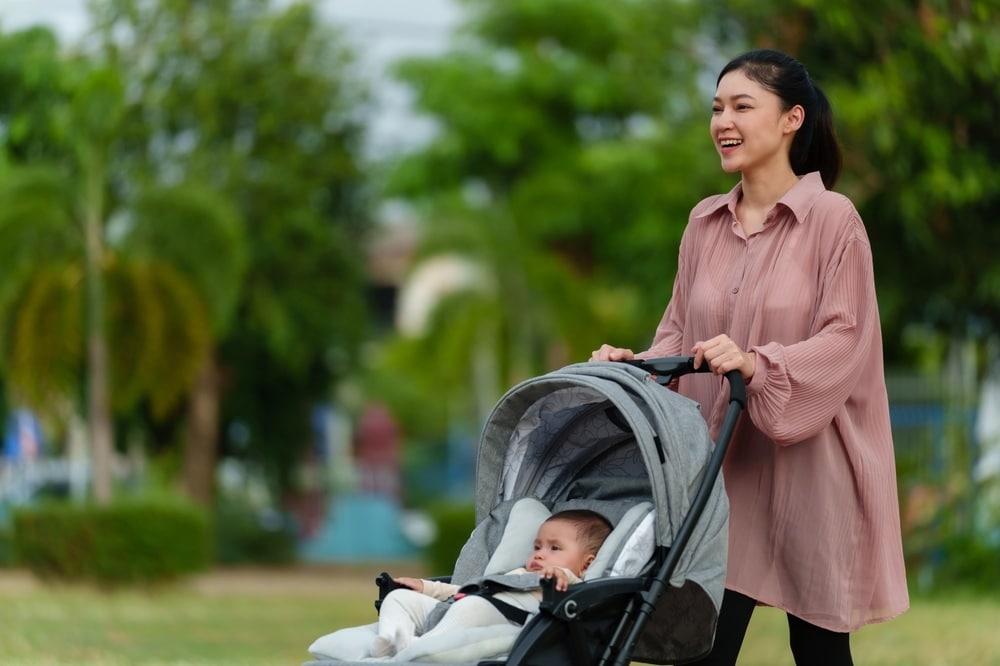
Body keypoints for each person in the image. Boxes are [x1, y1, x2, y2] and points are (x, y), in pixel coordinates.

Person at [591, 48, 909, 665]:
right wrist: (635, 365)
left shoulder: (834, 221)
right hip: (723, 469)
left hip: (812, 467)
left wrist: (759, 365)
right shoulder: (703, 224)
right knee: (702, 649)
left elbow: (846, 339)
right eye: (716, 109)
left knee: (819, 651)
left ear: (792, 119)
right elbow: (680, 335)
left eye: (742, 106)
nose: (722, 122)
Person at [371, 509, 612, 658]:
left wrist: (560, 575)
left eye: (554, 548)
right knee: (398, 598)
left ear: (587, 565)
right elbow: (469, 588)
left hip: (500, 614)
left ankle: (416, 648)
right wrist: (426, 587)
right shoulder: (516, 573)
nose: (539, 554)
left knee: (471, 606)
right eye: (537, 547)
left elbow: (569, 581)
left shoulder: (568, 583)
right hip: (467, 600)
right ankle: (388, 637)